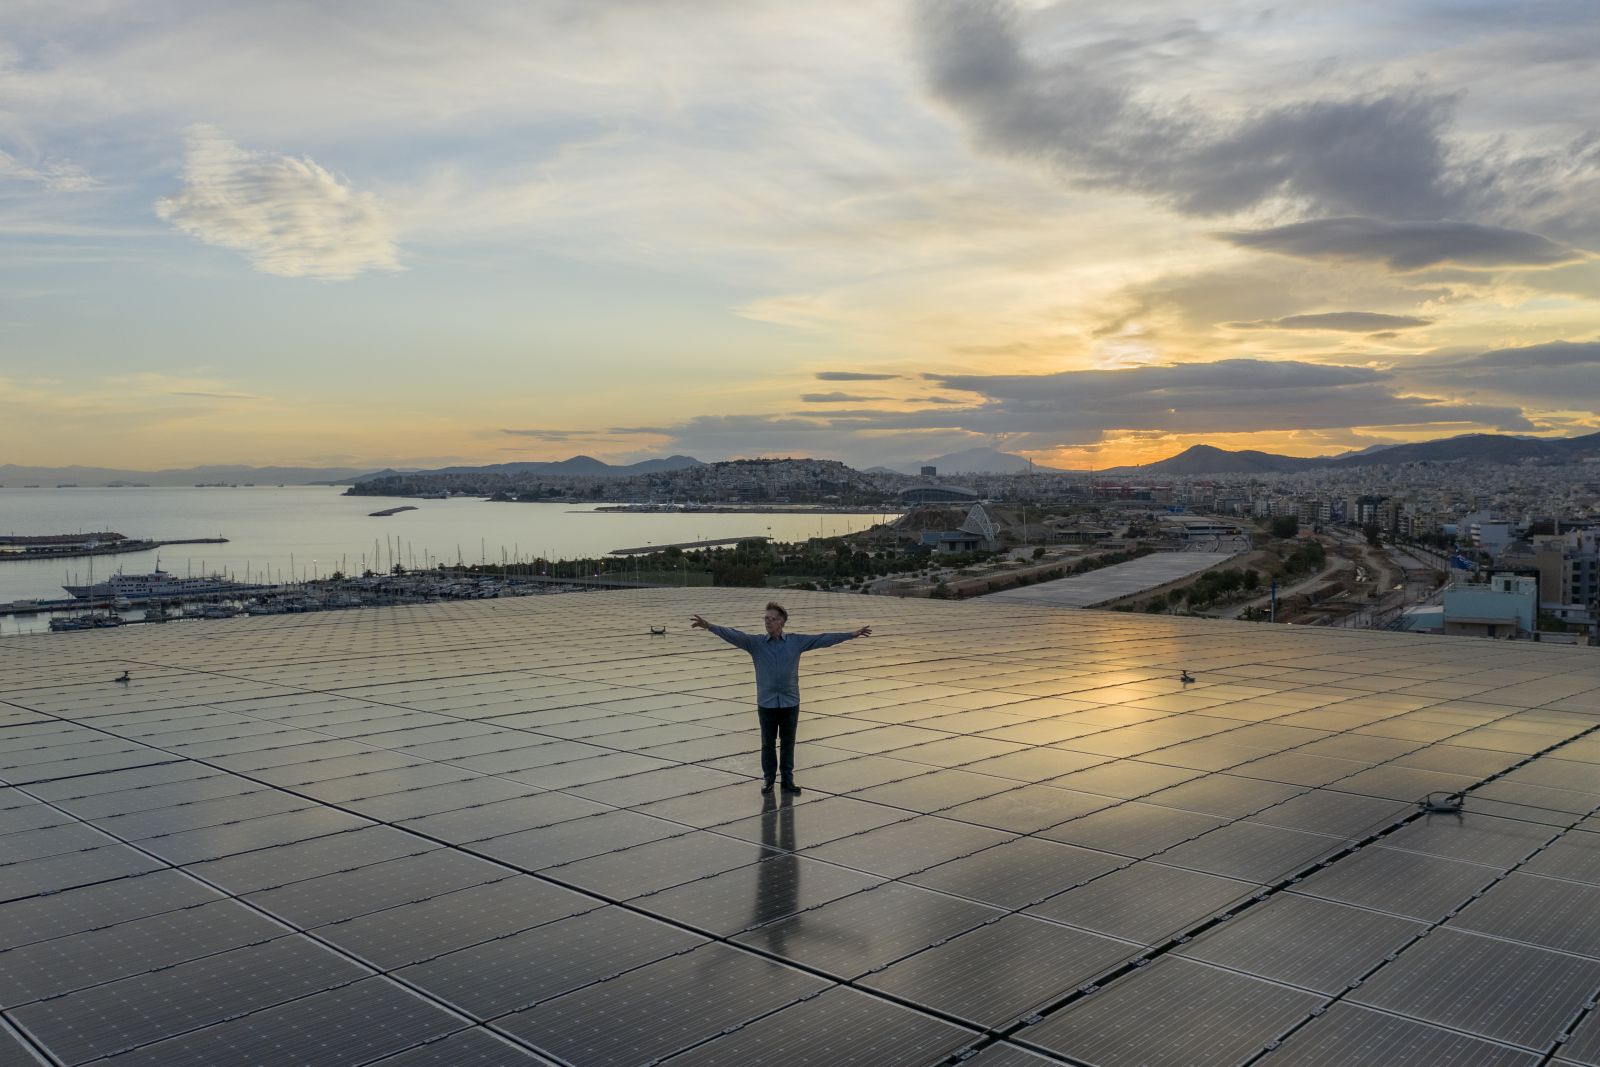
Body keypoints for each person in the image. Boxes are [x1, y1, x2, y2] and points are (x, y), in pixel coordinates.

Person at [691, 602, 871, 795]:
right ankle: (768, 779)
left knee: (787, 742)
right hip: (767, 703)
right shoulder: (756, 643)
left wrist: (851, 635)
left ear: (782, 622)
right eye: (766, 619)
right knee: (768, 743)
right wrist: (709, 626)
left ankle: (787, 780)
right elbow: (734, 635)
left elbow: (822, 639)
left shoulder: (795, 642)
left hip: (789, 702)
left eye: (773, 619)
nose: (768, 622)